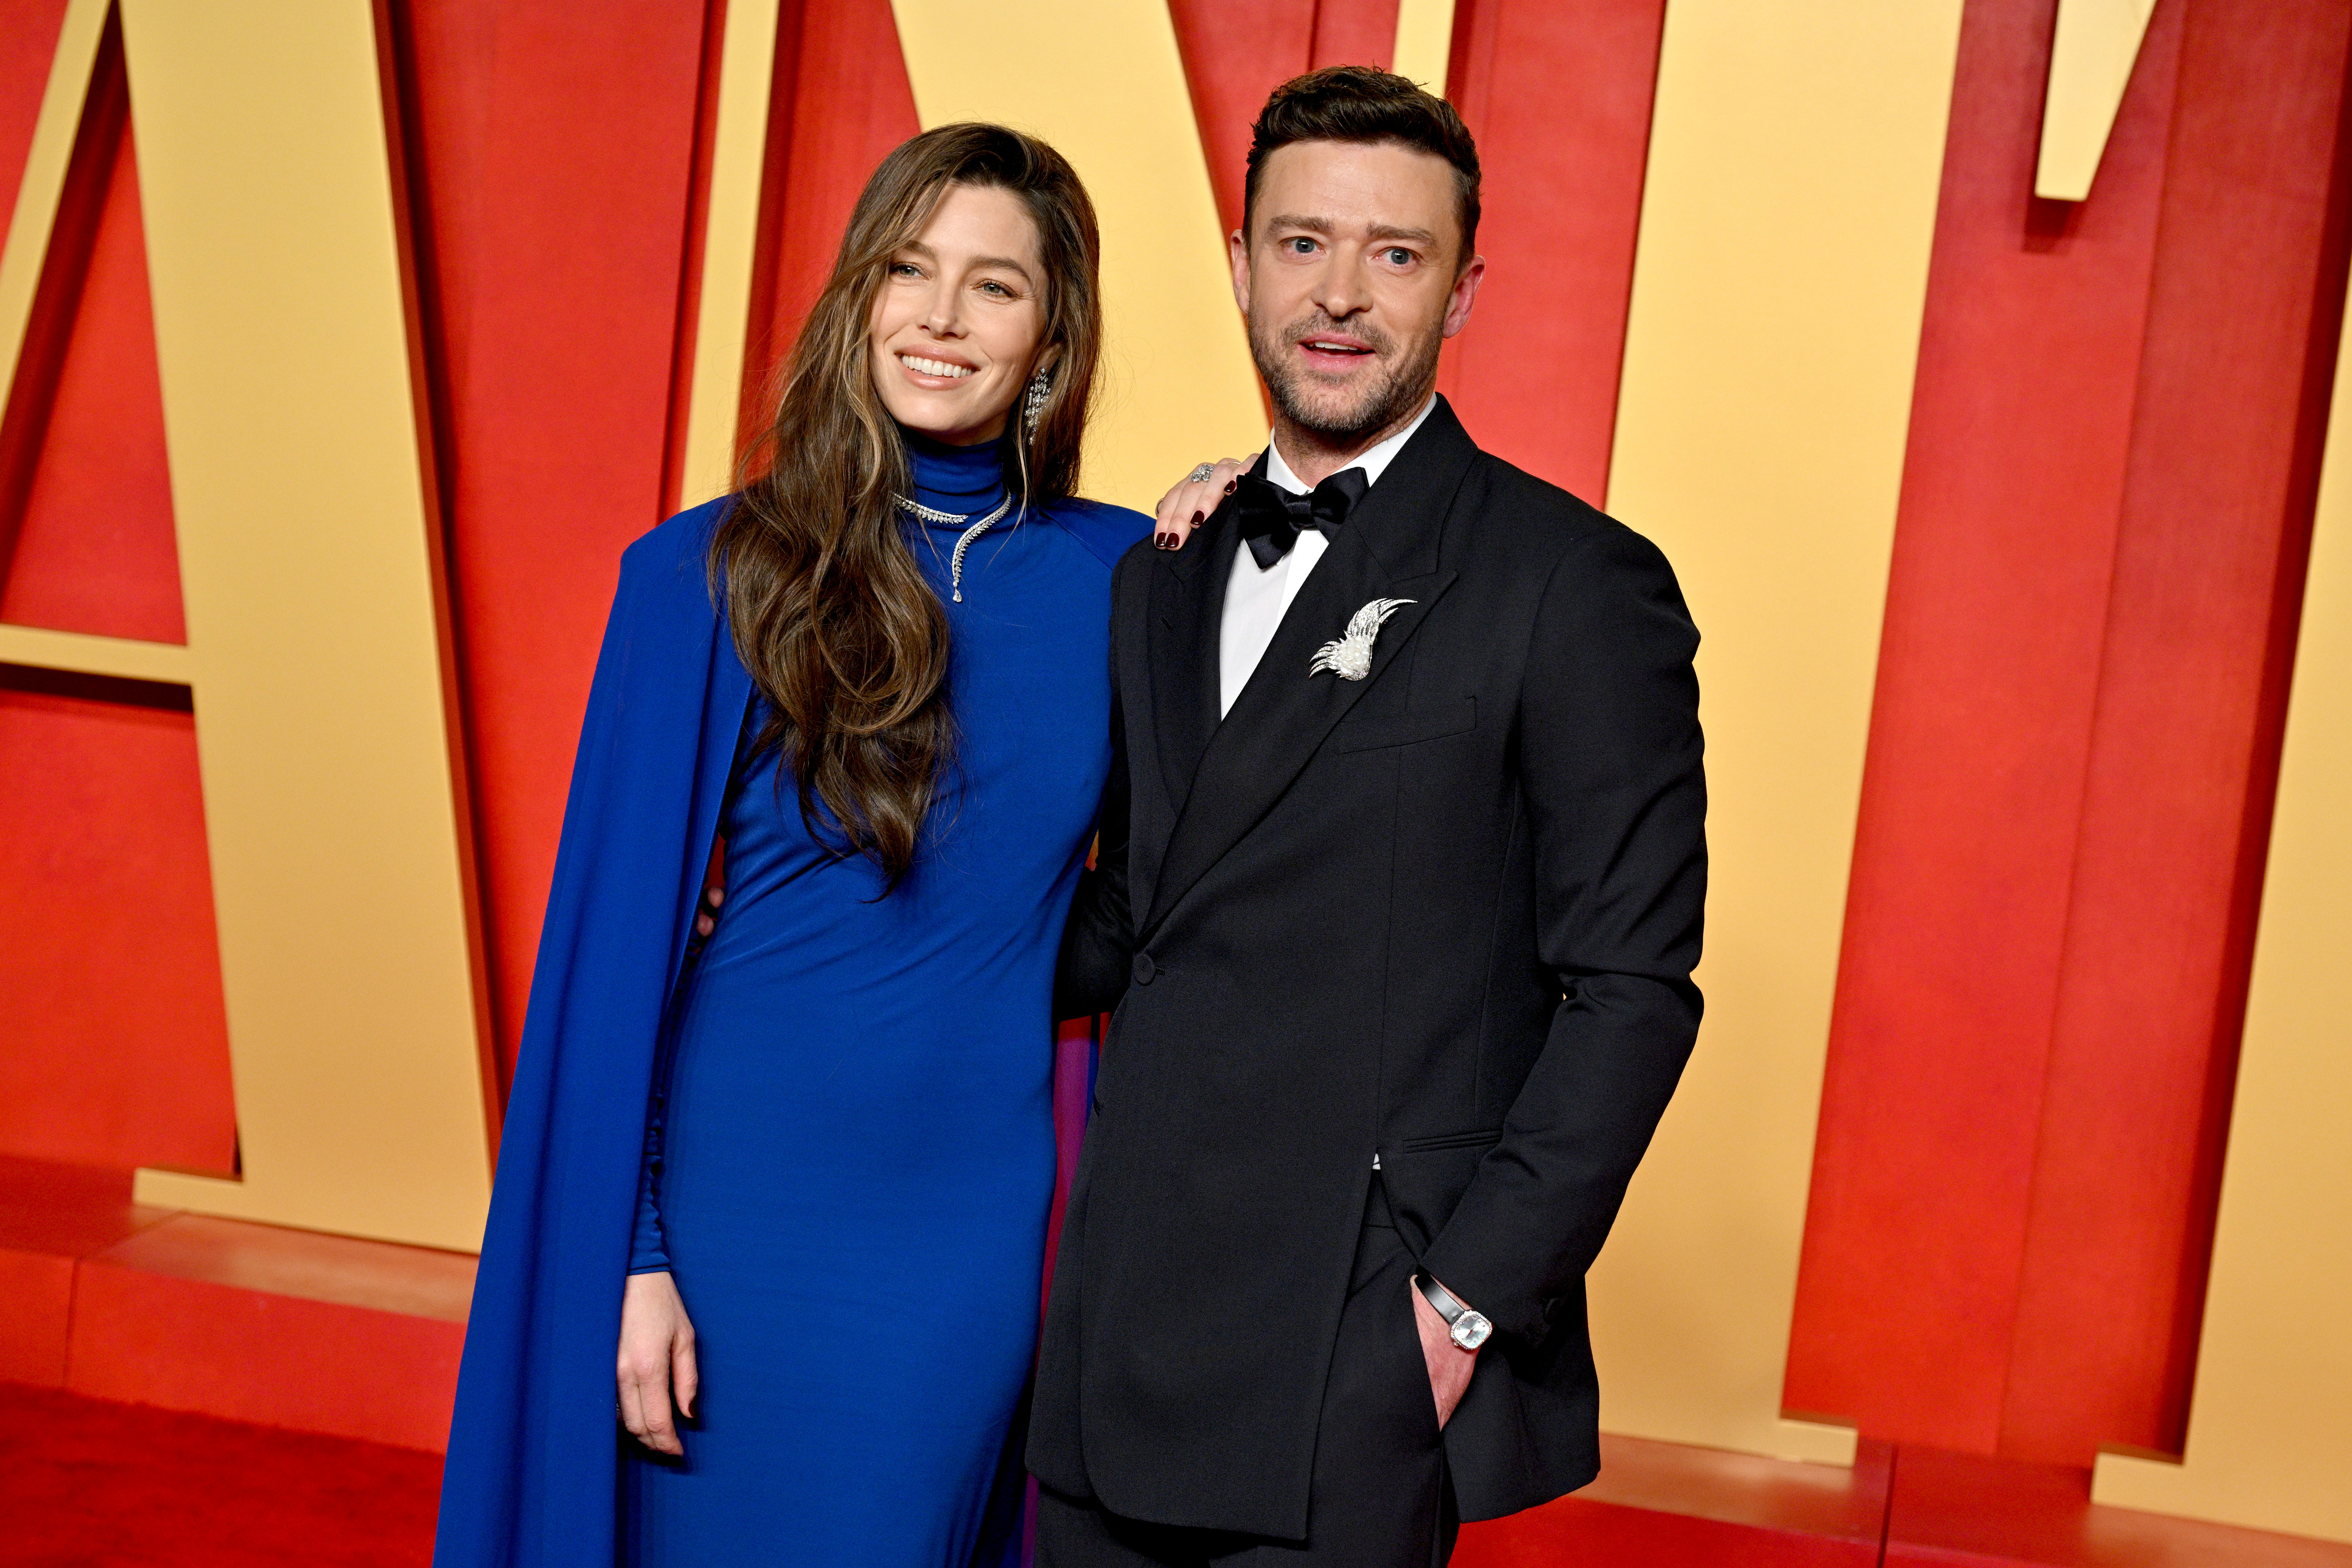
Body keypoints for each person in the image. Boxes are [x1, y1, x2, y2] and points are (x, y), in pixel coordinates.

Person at [433, 123, 1150, 1568]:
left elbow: (1169, 887)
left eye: (994, 286)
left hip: (965, 1226)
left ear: (1054, 336)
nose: (941, 317)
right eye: (907, 268)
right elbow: (610, 952)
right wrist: (628, 1253)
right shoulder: (708, 573)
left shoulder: (1129, 577)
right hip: (724, 1208)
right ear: (857, 295)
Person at [1033, 67, 1708, 1567]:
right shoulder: (1162, 568)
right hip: (1109, 1336)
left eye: (1394, 255)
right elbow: (1132, 912)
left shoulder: (1572, 583)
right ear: (1238, 262)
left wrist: (1459, 1305)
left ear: (1462, 291)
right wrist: (816, 904)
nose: (1339, 295)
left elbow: (1631, 993)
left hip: (1347, 1352)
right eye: (1301, 244)